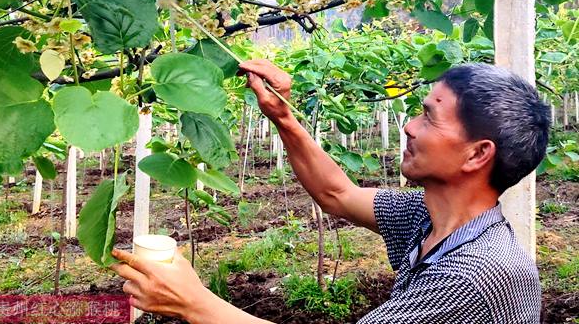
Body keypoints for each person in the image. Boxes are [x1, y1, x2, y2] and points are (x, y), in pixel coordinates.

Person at [111, 61, 550, 324]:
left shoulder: (476, 275)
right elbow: (337, 193)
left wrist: (193, 303)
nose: (410, 126)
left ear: (477, 155)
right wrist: (283, 116)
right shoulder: (429, 218)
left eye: (430, 118)